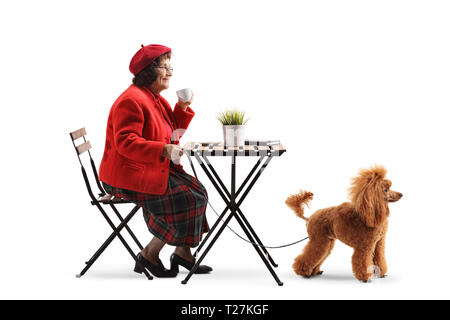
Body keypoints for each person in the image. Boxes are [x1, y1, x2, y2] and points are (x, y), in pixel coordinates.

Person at [99, 44, 212, 277]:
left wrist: (182, 108)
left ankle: (183, 253)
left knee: (197, 191)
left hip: (146, 167)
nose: (170, 72)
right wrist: (162, 150)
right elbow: (126, 143)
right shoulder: (131, 100)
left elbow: (172, 134)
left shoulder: (155, 98)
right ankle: (149, 254)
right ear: (150, 71)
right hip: (124, 174)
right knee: (186, 196)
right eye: (165, 66)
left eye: (171, 66)